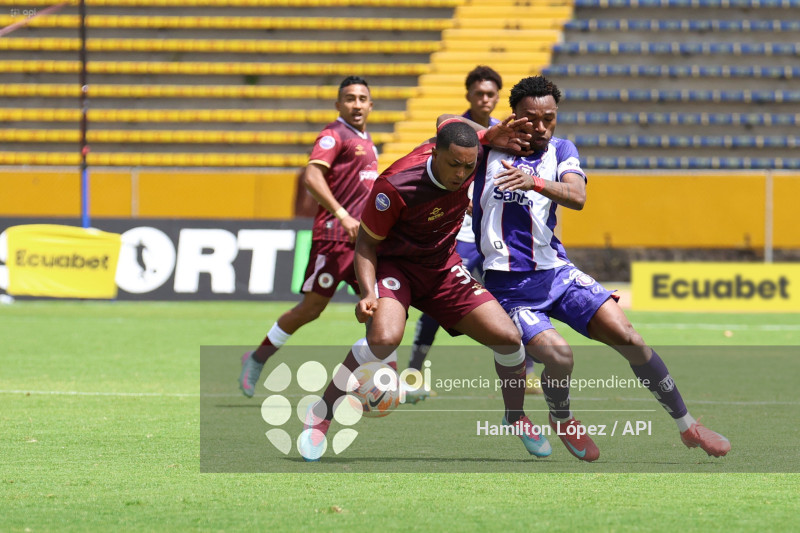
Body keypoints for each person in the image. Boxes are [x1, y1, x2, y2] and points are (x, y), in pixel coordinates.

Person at [473, 75, 731, 462]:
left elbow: (577, 196)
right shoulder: (486, 149)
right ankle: (561, 418)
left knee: (630, 338)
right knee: (560, 357)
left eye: (549, 118)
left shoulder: (561, 150)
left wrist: (534, 182)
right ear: (514, 116)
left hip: (557, 274)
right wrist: (485, 137)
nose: (541, 127)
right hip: (510, 288)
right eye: (531, 118)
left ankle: (688, 425)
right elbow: (445, 124)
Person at [299, 119, 553, 461]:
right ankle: (321, 413)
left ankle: (515, 416)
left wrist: (486, 134)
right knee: (383, 340)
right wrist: (368, 293)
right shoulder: (394, 185)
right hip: (396, 268)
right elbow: (365, 245)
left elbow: (451, 124)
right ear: (434, 153)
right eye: (454, 165)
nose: (461, 174)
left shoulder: (472, 154)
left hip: (442, 267)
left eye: (468, 167)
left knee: (508, 338)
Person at [239, 76, 379, 397]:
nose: (356, 104)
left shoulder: (367, 140)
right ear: (338, 104)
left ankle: (379, 377)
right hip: (333, 239)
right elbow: (312, 176)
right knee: (311, 308)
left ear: (371, 105)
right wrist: (342, 214)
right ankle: (257, 358)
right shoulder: (334, 135)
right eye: (350, 98)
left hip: (362, 243)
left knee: (379, 306)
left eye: (362, 99)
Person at [408, 66, 543, 399]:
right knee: (438, 303)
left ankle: (526, 372)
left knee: (511, 298)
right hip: (460, 233)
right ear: (468, 95)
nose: (485, 98)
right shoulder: (459, 129)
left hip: (493, 231)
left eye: (490, 94)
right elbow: (441, 128)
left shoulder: (504, 131)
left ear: (498, 98)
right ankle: (413, 372)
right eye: (479, 93)